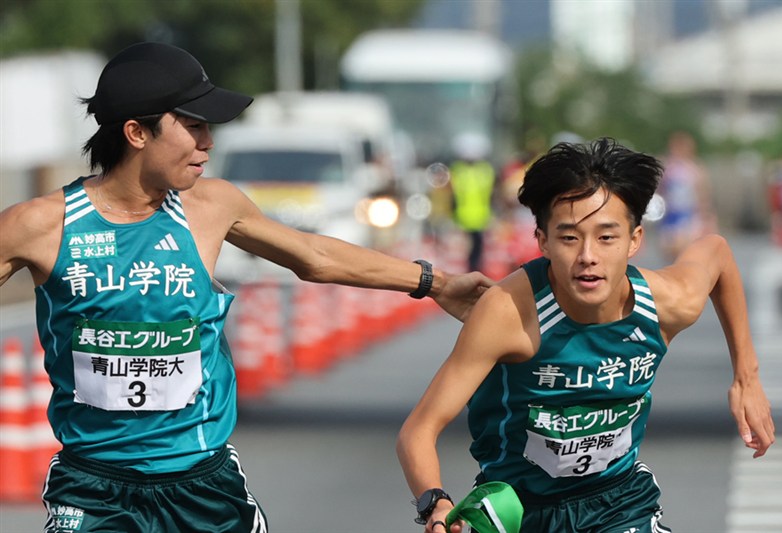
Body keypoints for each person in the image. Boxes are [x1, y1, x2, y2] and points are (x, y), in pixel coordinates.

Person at [0, 42, 493, 532]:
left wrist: (435, 282)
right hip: (94, 490)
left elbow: (314, 256)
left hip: (203, 487)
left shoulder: (210, 207)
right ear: (136, 132)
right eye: (193, 125)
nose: (208, 142)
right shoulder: (40, 226)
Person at [396, 138, 775, 532]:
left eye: (606, 237)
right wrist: (435, 504)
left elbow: (716, 252)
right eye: (569, 238)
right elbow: (418, 430)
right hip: (521, 512)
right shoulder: (508, 313)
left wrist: (746, 379)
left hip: (620, 504)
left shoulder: (663, 303)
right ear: (542, 241)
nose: (588, 256)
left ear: (635, 240)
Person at [656, 131, 717, 260]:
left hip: (688, 213)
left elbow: (703, 193)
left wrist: (706, 215)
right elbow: (659, 190)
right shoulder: (667, 167)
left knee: (683, 248)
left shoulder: (695, 168)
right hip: (670, 213)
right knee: (668, 250)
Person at [448, 133, 497, 272]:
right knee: (465, 251)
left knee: (476, 250)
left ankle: (473, 271)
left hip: (478, 217)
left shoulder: (481, 170)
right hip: (464, 217)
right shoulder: (461, 169)